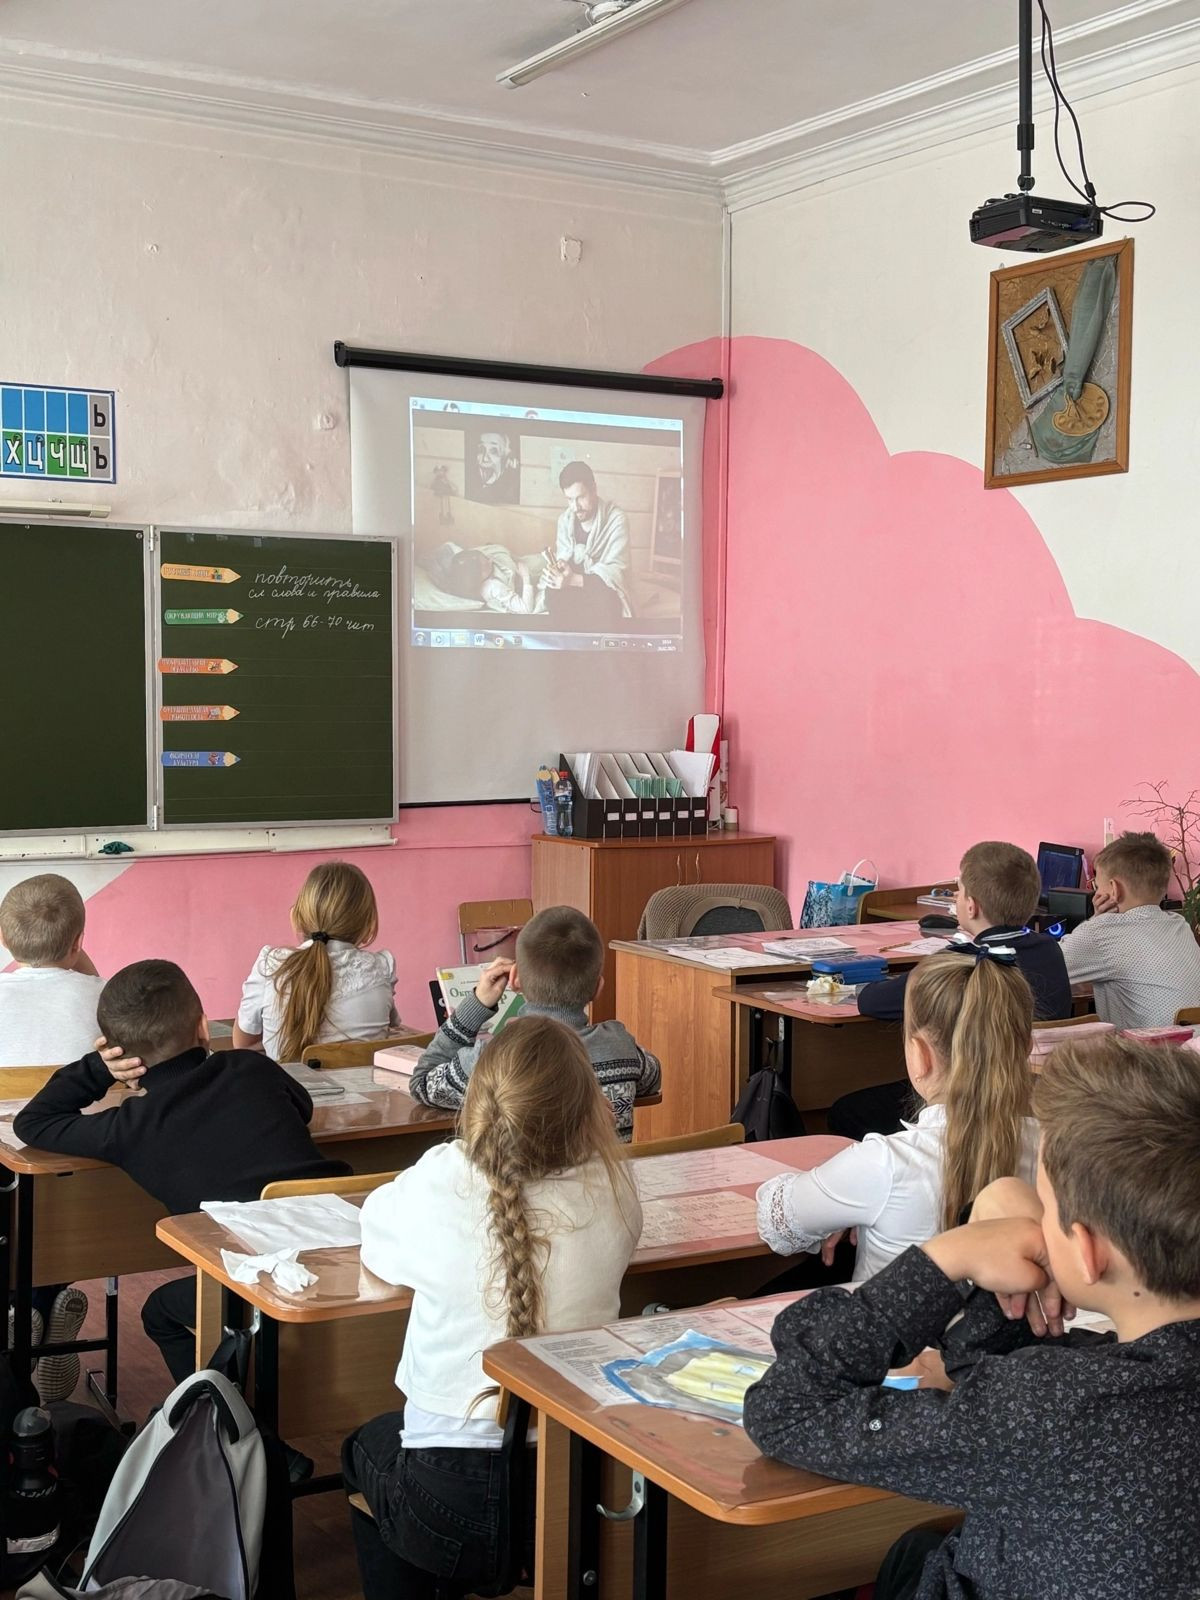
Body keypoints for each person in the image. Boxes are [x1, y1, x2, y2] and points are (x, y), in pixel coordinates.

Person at [743, 1034, 1200, 1600]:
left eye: (1045, 1206)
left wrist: (945, 1259)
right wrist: (997, 1202)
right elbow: (986, 1378)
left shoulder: (1048, 1409)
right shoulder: (1096, 1384)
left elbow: (787, 1410)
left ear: (1086, 1250)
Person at [343, 1014, 642, 1600]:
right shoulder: (614, 1190)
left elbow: (375, 1236)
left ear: (480, 1098)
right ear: (589, 1106)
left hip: (445, 1496)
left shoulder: (439, 1178)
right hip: (576, 1485)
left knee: (362, 1448)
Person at [14, 959, 350, 1391]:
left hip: (256, 1280)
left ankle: (217, 1412)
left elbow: (33, 1122)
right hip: (349, 1246)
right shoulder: (252, 1069)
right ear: (204, 1027)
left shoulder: (131, 1127)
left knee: (159, 1313)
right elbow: (302, 1107)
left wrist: (99, 1067)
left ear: (120, 1053)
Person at [757, 951, 1037, 1281]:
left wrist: (850, 1206)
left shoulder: (884, 1164)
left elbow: (775, 1218)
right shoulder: (1059, 1150)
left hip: (893, 1317)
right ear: (1025, 1048)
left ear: (920, 1055)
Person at [830, 841, 1072, 1140]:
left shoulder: (963, 960)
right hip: (1030, 1095)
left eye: (958, 890)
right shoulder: (1051, 949)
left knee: (846, 1110)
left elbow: (871, 1001)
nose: (955, 897)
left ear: (971, 905)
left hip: (966, 1099)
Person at [411, 906, 660, 1142]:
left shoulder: (490, 1059)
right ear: (597, 988)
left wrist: (476, 1005)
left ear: (514, 979)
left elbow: (422, 1083)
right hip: (606, 1174)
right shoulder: (621, 1047)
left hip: (520, 1175)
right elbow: (652, 1078)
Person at [234, 860, 399, 1063]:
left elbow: (243, 1044)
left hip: (287, 1083)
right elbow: (391, 1029)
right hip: (367, 1084)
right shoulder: (381, 968)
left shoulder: (271, 965)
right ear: (369, 925)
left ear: (296, 917)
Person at [1060, 830, 1200, 1027]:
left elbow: (1047, 966)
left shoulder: (1102, 933)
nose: (1096, 892)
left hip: (1148, 1046)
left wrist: (1096, 920)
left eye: (1096, 886)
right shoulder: (1180, 925)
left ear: (1114, 889)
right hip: (1192, 1043)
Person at [0, 873, 104, 1068]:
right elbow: (93, 987)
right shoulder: (107, 996)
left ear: (2, 938)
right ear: (78, 943)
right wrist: (72, 945)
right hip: (76, 1089)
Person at [541, 460, 634, 622]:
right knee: (551, 594)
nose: (575, 507)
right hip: (572, 588)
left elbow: (616, 574)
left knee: (608, 602)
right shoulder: (565, 520)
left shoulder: (616, 519)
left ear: (594, 489)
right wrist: (558, 571)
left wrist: (573, 579)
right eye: (569, 499)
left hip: (600, 589)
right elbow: (564, 557)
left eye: (580, 497)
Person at [442, 543, 540, 614]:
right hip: (524, 576)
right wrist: (526, 577)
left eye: (486, 558)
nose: (491, 561)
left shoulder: (466, 569)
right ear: (479, 576)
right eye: (486, 564)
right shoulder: (494, 587)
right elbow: (526, 609)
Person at [468, 429, 520, 504]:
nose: (485, 459)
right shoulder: (474, 489)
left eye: (494, 451)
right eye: (481, 449)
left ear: (507, 460)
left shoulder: (510, 493)